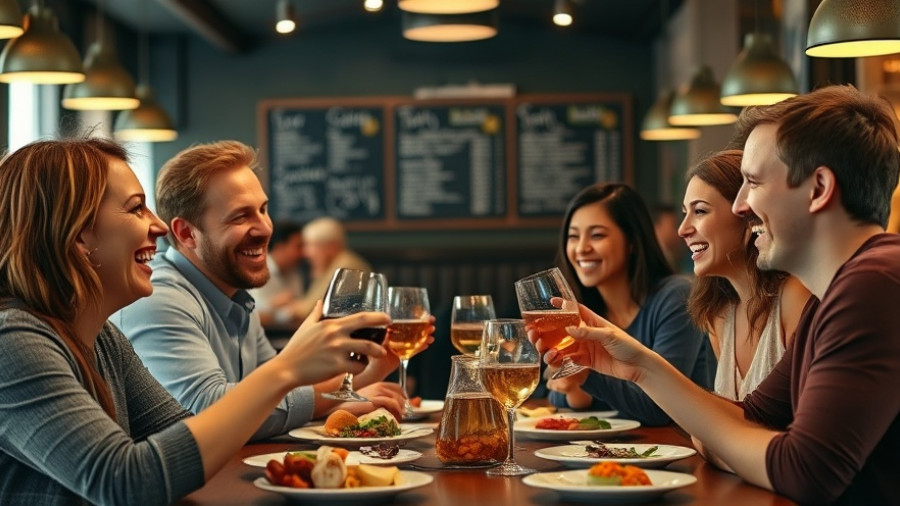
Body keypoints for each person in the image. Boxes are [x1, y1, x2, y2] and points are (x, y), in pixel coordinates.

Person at [542, 85, 900, 504]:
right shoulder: (836, 293)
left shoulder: (877, 282)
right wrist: (636, 365)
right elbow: (746, 417)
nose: (741, 206)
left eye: (752, 183)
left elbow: (806, 471)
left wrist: (734, 444)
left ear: (818, 188)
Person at [0, 138, 390, 504]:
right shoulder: (12, 342)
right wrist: (287, 370)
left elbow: (184, 433)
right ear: (79, 235)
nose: (158, 225)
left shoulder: (103, 338)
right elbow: (125, 482)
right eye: (137, 208)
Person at [114, 141, 411, 441]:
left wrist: (361, 380)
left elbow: (276, 393)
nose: (266, 228)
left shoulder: (236, 296)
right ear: (186, 233)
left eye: (263, 209)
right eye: (241, 216)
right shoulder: (158, 298)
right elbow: (207, 413)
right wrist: (346, 391)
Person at [543, 183, 715, 426]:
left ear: (633, 241)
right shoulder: (585, 311)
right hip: (608, 453)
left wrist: (585, 377)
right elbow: (556, 391)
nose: (581, 248)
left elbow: (660, 408)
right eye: (573, 236)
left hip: (680, 451)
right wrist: (576, 390)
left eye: (597, 235)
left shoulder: (676, 297)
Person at [679, 150, 810, 401]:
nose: (682, 229)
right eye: (685, 212)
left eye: (700, 211)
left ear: (748, 214)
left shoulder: (795, 297)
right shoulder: (718, 316)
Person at [297, 216, 372, 319]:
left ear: (331, 246)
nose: (306, 253)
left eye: (310, 245)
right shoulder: (331, 265)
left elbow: (309, 310)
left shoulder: (346, 267)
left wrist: (282, 310)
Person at [249, 220, 308, 329]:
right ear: (280, 247)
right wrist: (276, 307)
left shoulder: (294, 272)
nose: (304, 253)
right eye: (298, 246)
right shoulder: (257, 271)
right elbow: (255, 314)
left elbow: (297, 307)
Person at [652, 203, 691, 273]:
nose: (678, 230)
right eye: (673, 225)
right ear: (657, 227)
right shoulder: (653, 260)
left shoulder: (673, 256)